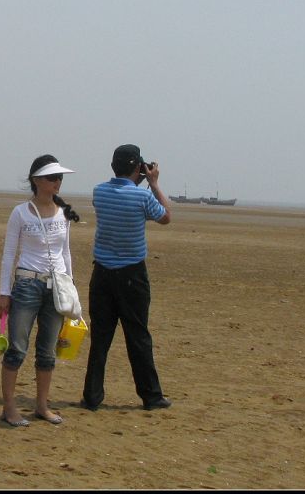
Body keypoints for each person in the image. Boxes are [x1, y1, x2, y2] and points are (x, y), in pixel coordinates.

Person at [82, 144, 172, 411]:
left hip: (102, 273)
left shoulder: (100, 192)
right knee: (138, 336)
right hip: (132, 274)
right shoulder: (141, 197)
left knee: (101, 338)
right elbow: (166, 216)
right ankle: (151, 396)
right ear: (138, 168)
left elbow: (119, 193)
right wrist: (153, 183)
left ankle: (92, 396)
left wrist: (137, 179)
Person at [0, 155, 79, 426]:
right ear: (37, 181)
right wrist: (4, 292)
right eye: (52, 178)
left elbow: (65, 253)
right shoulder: (20, 213)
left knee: (48, 351)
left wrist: (71, 288)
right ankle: (9, 407)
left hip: (56, 287)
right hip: (27, 284)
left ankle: (42, 405)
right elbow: (9, 254)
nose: (57, 182)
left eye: (59, 178)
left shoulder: (63, 213)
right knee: (17, 348)